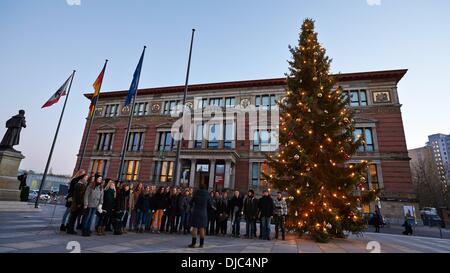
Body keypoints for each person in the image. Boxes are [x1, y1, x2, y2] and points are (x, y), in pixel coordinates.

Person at [188, 181, 209, 248]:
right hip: (203, 212)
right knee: (202, 228)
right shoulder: (207, 194)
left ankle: (193, 243)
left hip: (196, 211)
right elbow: (210, 204)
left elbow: (190, 203)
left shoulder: (196, 193)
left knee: (195, 227)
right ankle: (201, 244)